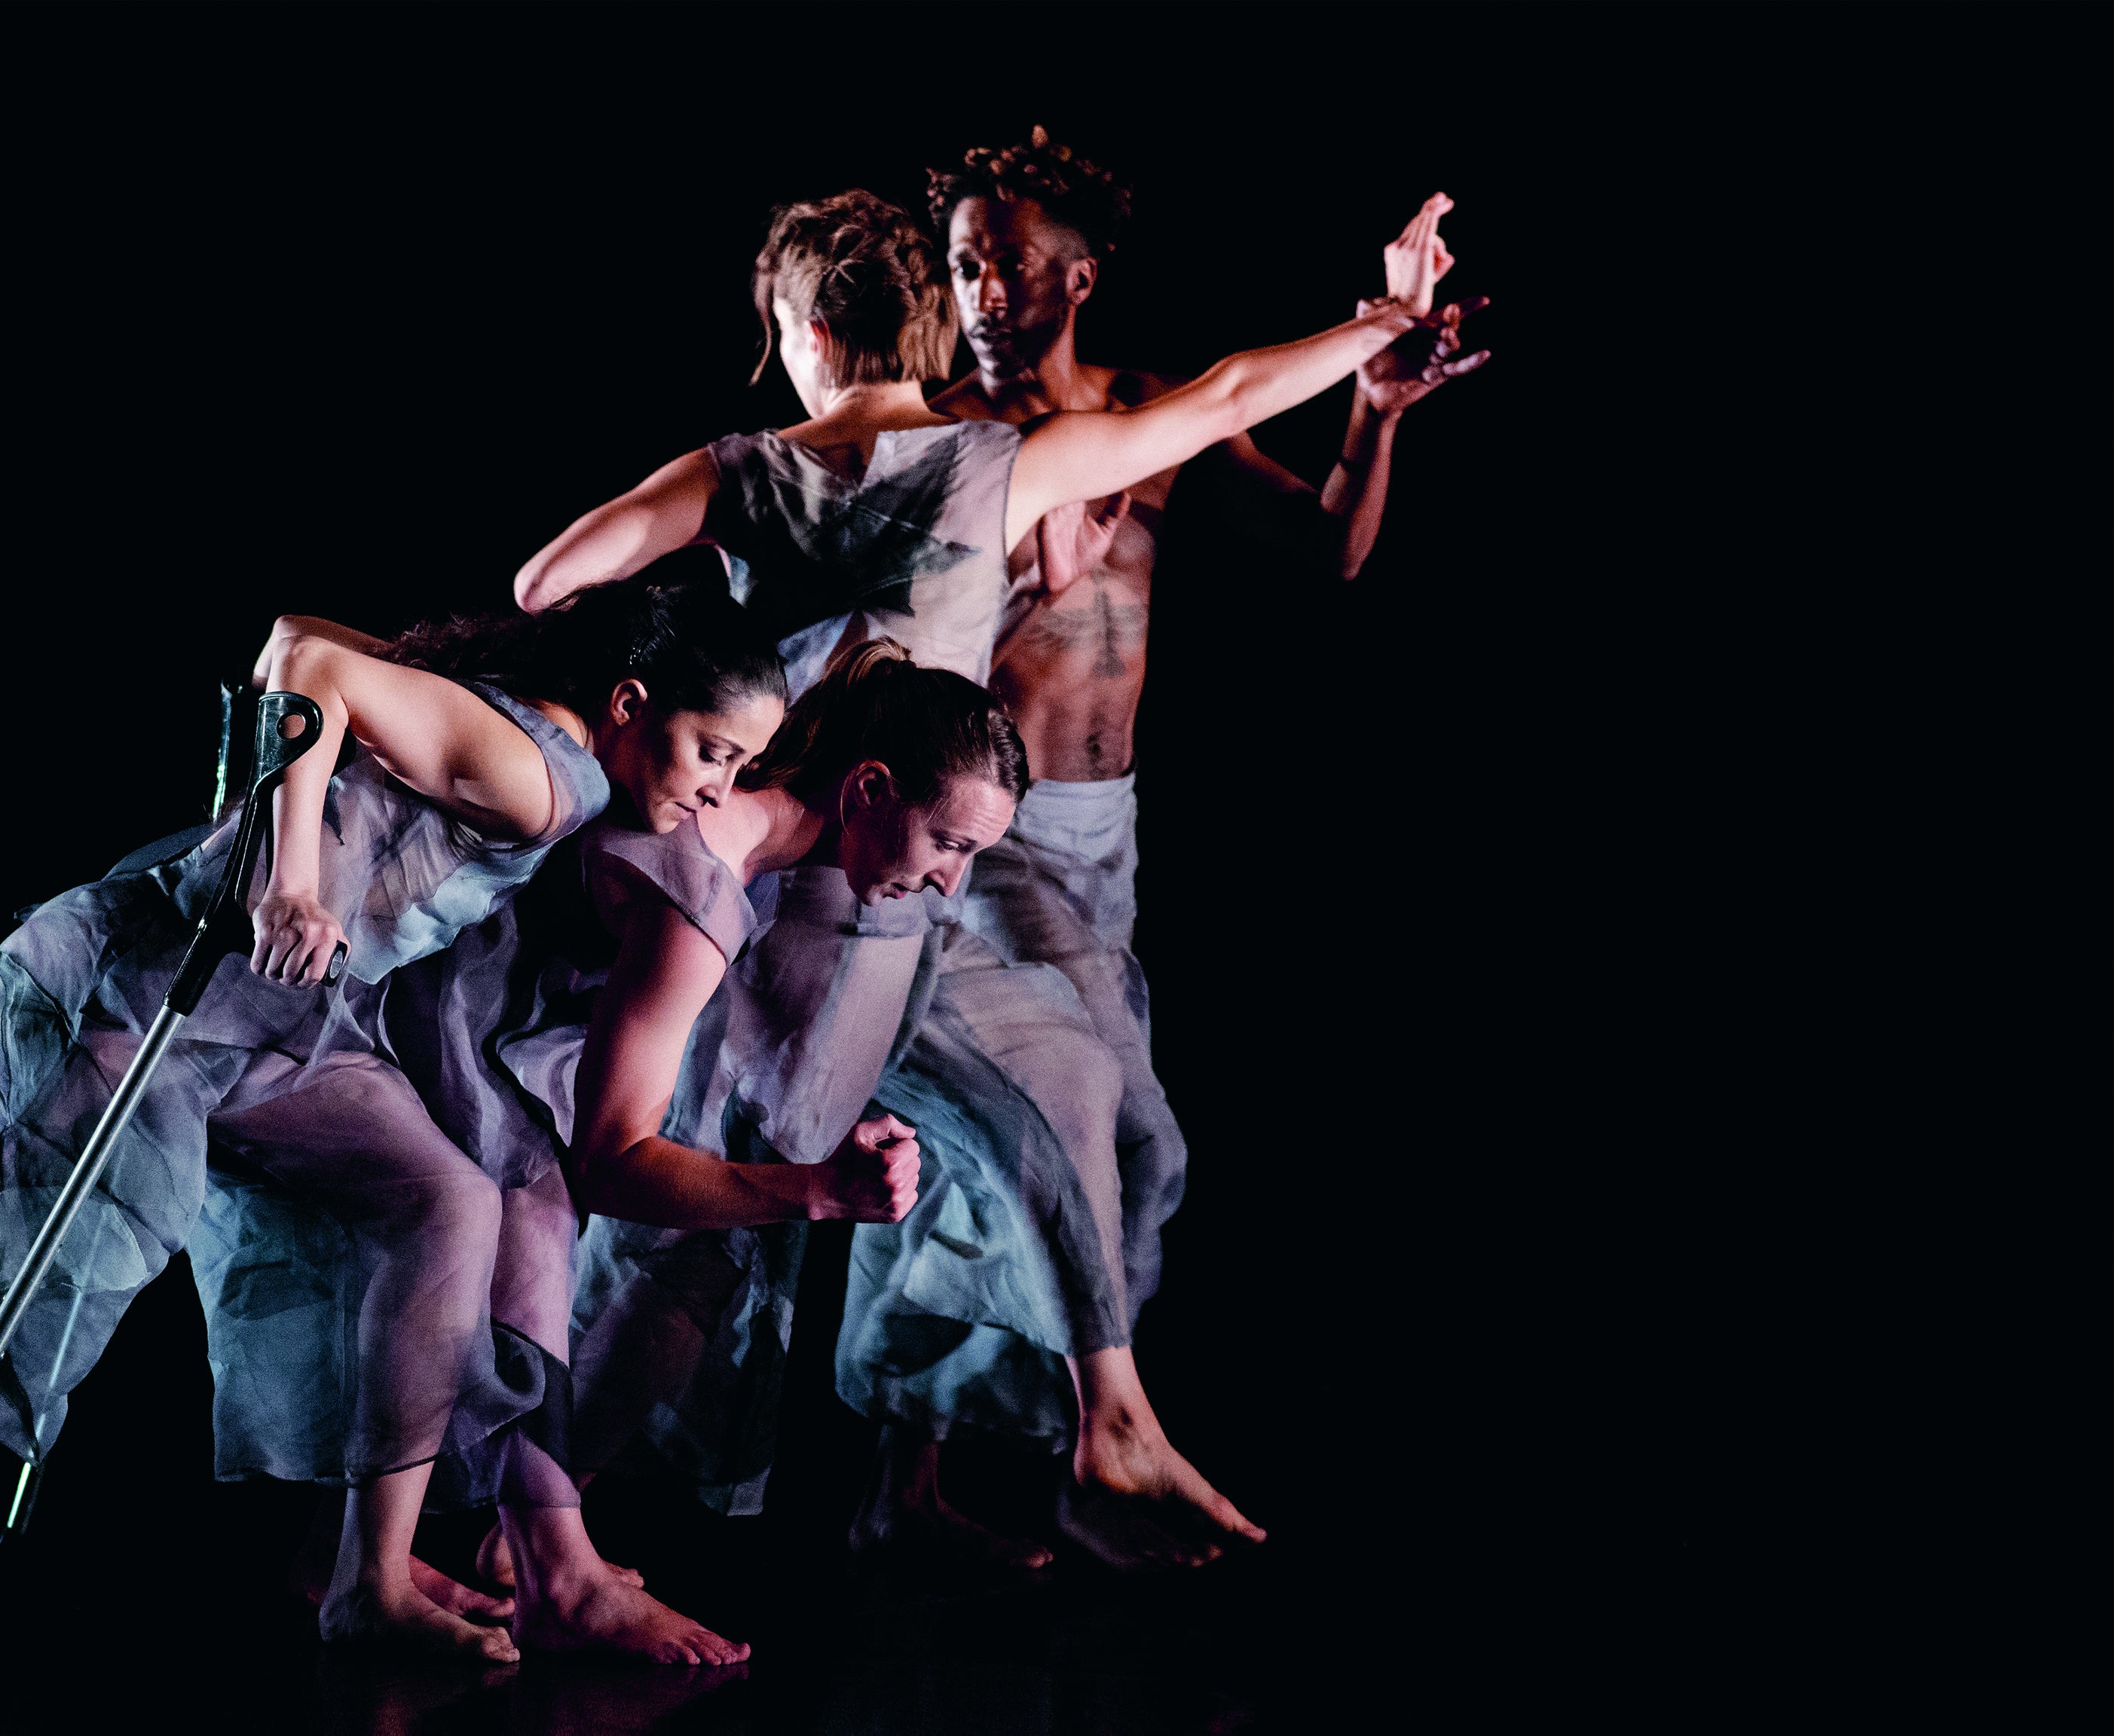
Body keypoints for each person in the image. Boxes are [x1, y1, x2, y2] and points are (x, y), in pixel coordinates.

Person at [515, 188, 1479, 1566]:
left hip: (863, 897)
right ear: (919, 320)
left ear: (803, 328)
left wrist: (698, 658)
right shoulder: (1000, 466)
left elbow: (547, 583)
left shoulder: (745, 470)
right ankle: (539, 1535)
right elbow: (1229, 394)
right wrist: (1382, 317)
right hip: (835, 902)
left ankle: (1096, 1425)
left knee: (1025, 1096)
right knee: (712, 1228)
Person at [0, 581, 785, 1662]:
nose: (720, 789)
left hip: (286, 1023)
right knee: (4, 1256)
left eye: (744, 766)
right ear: (630, 702)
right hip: (167, 993)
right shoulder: (537, 778)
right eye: (715, 753)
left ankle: (365, 1577)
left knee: (445, 1201)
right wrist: (291, 883)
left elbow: (295, 637)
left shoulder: (526, 729)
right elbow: (309, 671)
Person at [907, 133, 1487, 1563]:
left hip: (1104, 833)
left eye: (1011, 263)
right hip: (986, 830)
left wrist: (1376, 413)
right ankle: (1087, 1442)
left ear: (1080, 276)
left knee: (1016, 1138)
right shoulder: (940, 429)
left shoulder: (1142, 414)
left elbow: (1329, 550)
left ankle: (926, 1478)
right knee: (1091, 1118)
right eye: (965, 264)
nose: (983, 290)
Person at [478, 640, 1029, 1654]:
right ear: (869, 788)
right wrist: (816, 1189)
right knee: (517, 1212)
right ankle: (545, 1568)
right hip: (395, 1031)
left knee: (640, 1221)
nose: (951, 885)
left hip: (481, 1047)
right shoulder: (706, 875)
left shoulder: (758, 848)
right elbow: (611, 1160)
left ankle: (442, 1557)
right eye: (948, 843)